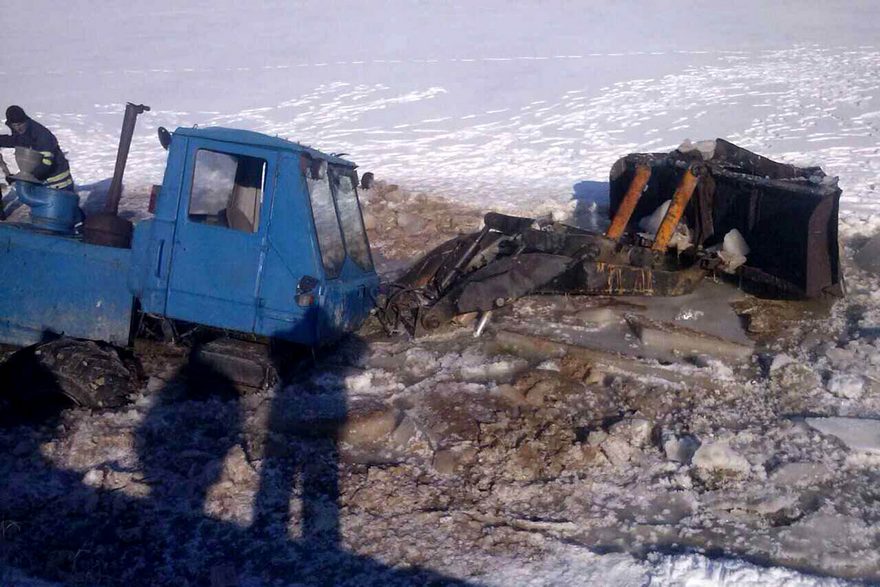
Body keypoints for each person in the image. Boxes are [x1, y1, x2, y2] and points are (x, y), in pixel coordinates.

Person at [0, 105, 74, 191]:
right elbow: (17, 141)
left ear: (25, 121)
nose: (17, 128)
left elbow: (45, 163)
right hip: (43, 182)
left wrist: (23, 179)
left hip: (58, 182)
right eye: (14, 125)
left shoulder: (41, 135)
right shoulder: (24, 131)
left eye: (20, 124)